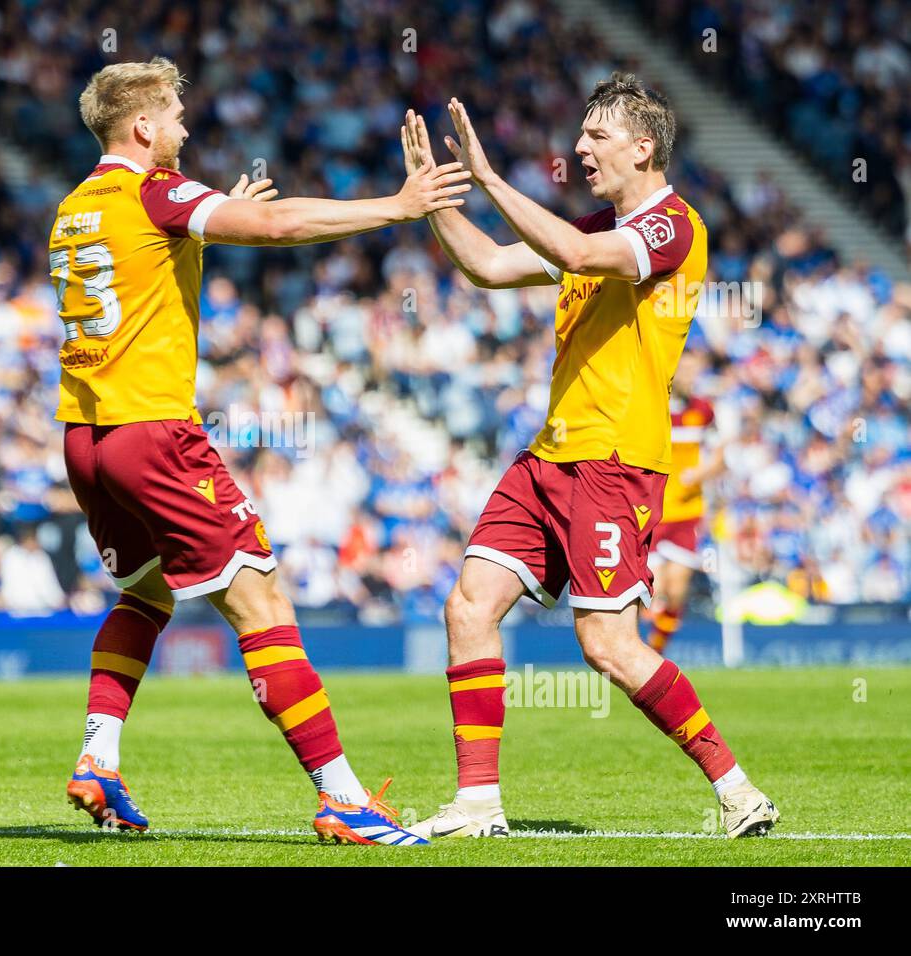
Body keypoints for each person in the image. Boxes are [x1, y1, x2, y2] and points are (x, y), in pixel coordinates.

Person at [54, 57, 470, 845]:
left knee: (146, 598)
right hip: (155, 433)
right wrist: (399, 205)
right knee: (265, 609)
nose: (184, 126)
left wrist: (212, 217)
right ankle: (344, 799)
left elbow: (144, 269)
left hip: (86, 438)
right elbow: (278, 229)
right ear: (142, 126)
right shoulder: (158, 192)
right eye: (175, 114)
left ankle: (98, 758)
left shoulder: (74, 208)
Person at [399, 73, 778, 840]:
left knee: (606, 644)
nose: (579, 148)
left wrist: (490, 176)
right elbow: (486, 267)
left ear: (644, 147)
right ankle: (478, 803)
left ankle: (738, 790)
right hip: (548, 455)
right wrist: (435, 203)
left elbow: (572, 248)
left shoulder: (673, 228)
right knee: (468, 606)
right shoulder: (592, 228)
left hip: (613, 459)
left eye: (596, 136)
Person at [646, 359, 724, 654]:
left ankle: (655, 652)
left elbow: (719, 455)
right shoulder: (653, 408)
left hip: (686, 513)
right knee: (655, 590)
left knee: (676, 592)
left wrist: (702, 473)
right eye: (687, 372)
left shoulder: (702, 411)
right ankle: (634, 653)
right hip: (652, 513)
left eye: (695, 372)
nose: (692, 378)